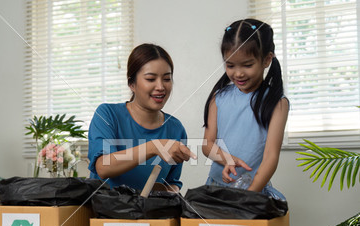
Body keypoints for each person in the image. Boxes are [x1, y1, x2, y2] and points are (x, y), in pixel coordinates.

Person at [88, 43, 195, 192]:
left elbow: (172, 182)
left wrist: (170, 193)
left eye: (166, 79)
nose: (160, 87)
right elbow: (103, 167)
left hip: (150, 214)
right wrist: (154, 147)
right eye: (151, 79)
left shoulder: (176, 129)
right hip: (106, 212)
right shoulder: (107, 114)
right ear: (132, 83)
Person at [202, 19, 289, 200]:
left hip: (253, 191)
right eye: (230, 65)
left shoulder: (277, 103)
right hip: (216, 189)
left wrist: (249, 197)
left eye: (247, 65)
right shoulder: (219, 98)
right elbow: (207, 145)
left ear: (266, 60)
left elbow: (270, 157)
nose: (238, 73)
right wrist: (227, 159)